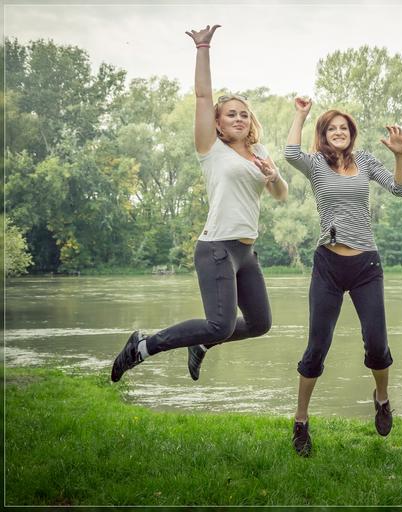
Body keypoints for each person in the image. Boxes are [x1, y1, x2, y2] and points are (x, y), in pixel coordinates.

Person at [110, 24, 288, 383]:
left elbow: (280, 194)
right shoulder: (211, 149)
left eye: (244, 114)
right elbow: (204, 96)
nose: (239, 118)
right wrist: (203, 48)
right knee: (220, 323)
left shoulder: (259, 151)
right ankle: (143, 346)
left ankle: (202, 343)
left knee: (259, 324)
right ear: (218, 124)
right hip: (217, 248)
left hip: (246, 252)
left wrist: (273, 176)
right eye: (231, 114)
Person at [284, 97, 402, 456]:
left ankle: (382, 399)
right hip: (328, 264)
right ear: (323, 135)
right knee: (317, 346)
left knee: (377, 343)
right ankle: (301, 420)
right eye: (332, 128)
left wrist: (400, 156)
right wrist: (301, 115)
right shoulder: (315, 164)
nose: (339, 132)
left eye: (344, 128)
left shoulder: (365, 160)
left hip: (366, 265)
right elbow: (290, 153)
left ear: (351, 134)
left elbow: (399, 189)